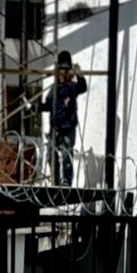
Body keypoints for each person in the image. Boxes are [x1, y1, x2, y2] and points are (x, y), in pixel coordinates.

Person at [38, 50, 87, 186]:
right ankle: (56, 181)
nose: (62, 75)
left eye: (66, 72)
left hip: (67, 127)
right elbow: (48, 105)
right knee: (51, 155)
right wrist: (37, 108)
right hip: (55, 128)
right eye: (60, 71)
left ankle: (66, 181)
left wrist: (79, 74)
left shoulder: (72, 87)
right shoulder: (54, 89)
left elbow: (83, 87)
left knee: (66, 155)